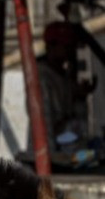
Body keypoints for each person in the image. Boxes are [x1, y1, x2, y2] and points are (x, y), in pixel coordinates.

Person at [36, 21, 96, 158]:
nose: (70, 50)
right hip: (52, 155)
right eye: (66, 46)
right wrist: (50, 159)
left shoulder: (65, 76)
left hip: (68, 149)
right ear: (51, 46)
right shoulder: (42, 77)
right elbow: (45, 125)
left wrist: (80, 96)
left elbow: (78, 119)